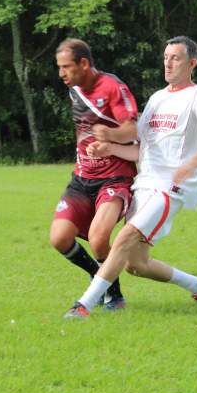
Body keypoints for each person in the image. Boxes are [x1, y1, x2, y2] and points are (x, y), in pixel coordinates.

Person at [64, 36, 197, 319]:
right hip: (144, 184)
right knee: (135, 264)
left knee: (125, 237)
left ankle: (84, 305)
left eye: (175, 58)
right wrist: (110, 147)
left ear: (192, 63)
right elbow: (141, 149)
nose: (168, 62)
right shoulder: (157, 98)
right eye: (166, 57)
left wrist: (190, 165)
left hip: (170, 188)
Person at [50, 38, 139, 310]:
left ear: (84, 64)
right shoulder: (74, 88)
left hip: (114, 178)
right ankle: (96, 277)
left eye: (67, 67)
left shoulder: (112, 87)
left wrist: (111, 135)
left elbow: (132, 130)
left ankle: (115, 295)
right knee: (59, 238)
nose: (61, 73)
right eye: (59, 67)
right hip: (82, 177)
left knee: (100, 239)